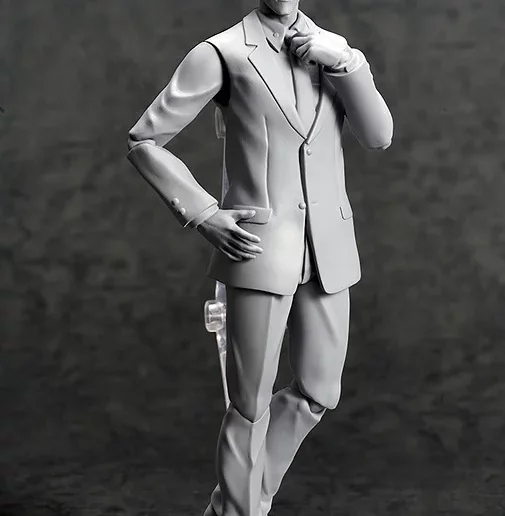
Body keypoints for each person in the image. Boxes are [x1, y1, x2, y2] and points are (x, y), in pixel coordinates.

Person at [127, 1, 393, 514]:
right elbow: (145, 140)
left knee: (319, 390)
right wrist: (204, 213)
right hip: (259, 249)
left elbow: (379, 136)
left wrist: (347, 63)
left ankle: (235, 504)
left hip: (329, 250)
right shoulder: (223, 52)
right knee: (248, 406)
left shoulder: (334, 51)